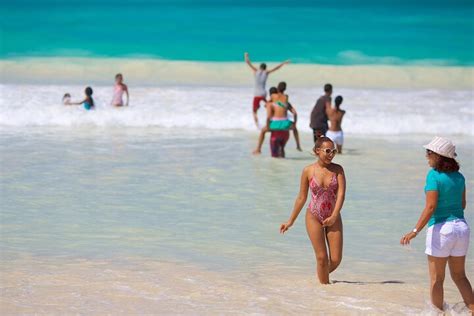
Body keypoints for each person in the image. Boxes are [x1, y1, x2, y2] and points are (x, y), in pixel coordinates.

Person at [400, 137, 472, 313]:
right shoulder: (460, 177)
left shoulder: (434, 176)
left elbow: (431, 206)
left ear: (439, 156)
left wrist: (415, 231)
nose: (427, 156)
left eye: (429, 153)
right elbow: (462, 204)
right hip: (461, 228)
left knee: (437, 279)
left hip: (442, 230)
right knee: (460, 276)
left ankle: (438, 313)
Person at [280, 137, 346, 284]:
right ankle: (324, 290)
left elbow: (341, 194)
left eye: (333, 151)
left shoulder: (338, 170)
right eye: (327, 151)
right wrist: (290, 221)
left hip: (333, 216)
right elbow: (301, 197)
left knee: (335, 260)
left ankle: (320, 278)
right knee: (322, 258)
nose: (331, 154)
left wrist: (334, 215)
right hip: (314, 216)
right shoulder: (308, 171)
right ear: (317, 151)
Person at [244, 52, 290, 127]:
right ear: (265, 68)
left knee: (254, 112)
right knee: (271, 106)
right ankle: (275, 118)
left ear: (260, 67)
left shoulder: (256, 71)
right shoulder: (266, 72)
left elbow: (248, 63)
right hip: (264, 94)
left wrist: (246, 56)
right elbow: (276, 68)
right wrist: (284, 62)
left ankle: (257, 126)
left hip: (257, 94)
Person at [252, 87, 298, 155]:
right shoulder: (284, 101)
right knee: (282, 149)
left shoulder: (270, 103)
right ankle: (297, 145)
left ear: (270, 95)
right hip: (285, 128)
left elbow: (268, 116)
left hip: (275, 126)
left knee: (262, 131)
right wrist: (294, 123)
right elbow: (294, 112)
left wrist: (267, 125)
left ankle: (258, 148)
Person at [276, 81, 302, 151]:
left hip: (274, 124)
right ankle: (298, 145)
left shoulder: (274, 98)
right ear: (285, 89)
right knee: (295, 129)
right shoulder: (286, 101)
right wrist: (295, 124)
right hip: (284, 124)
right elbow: (295, 113)